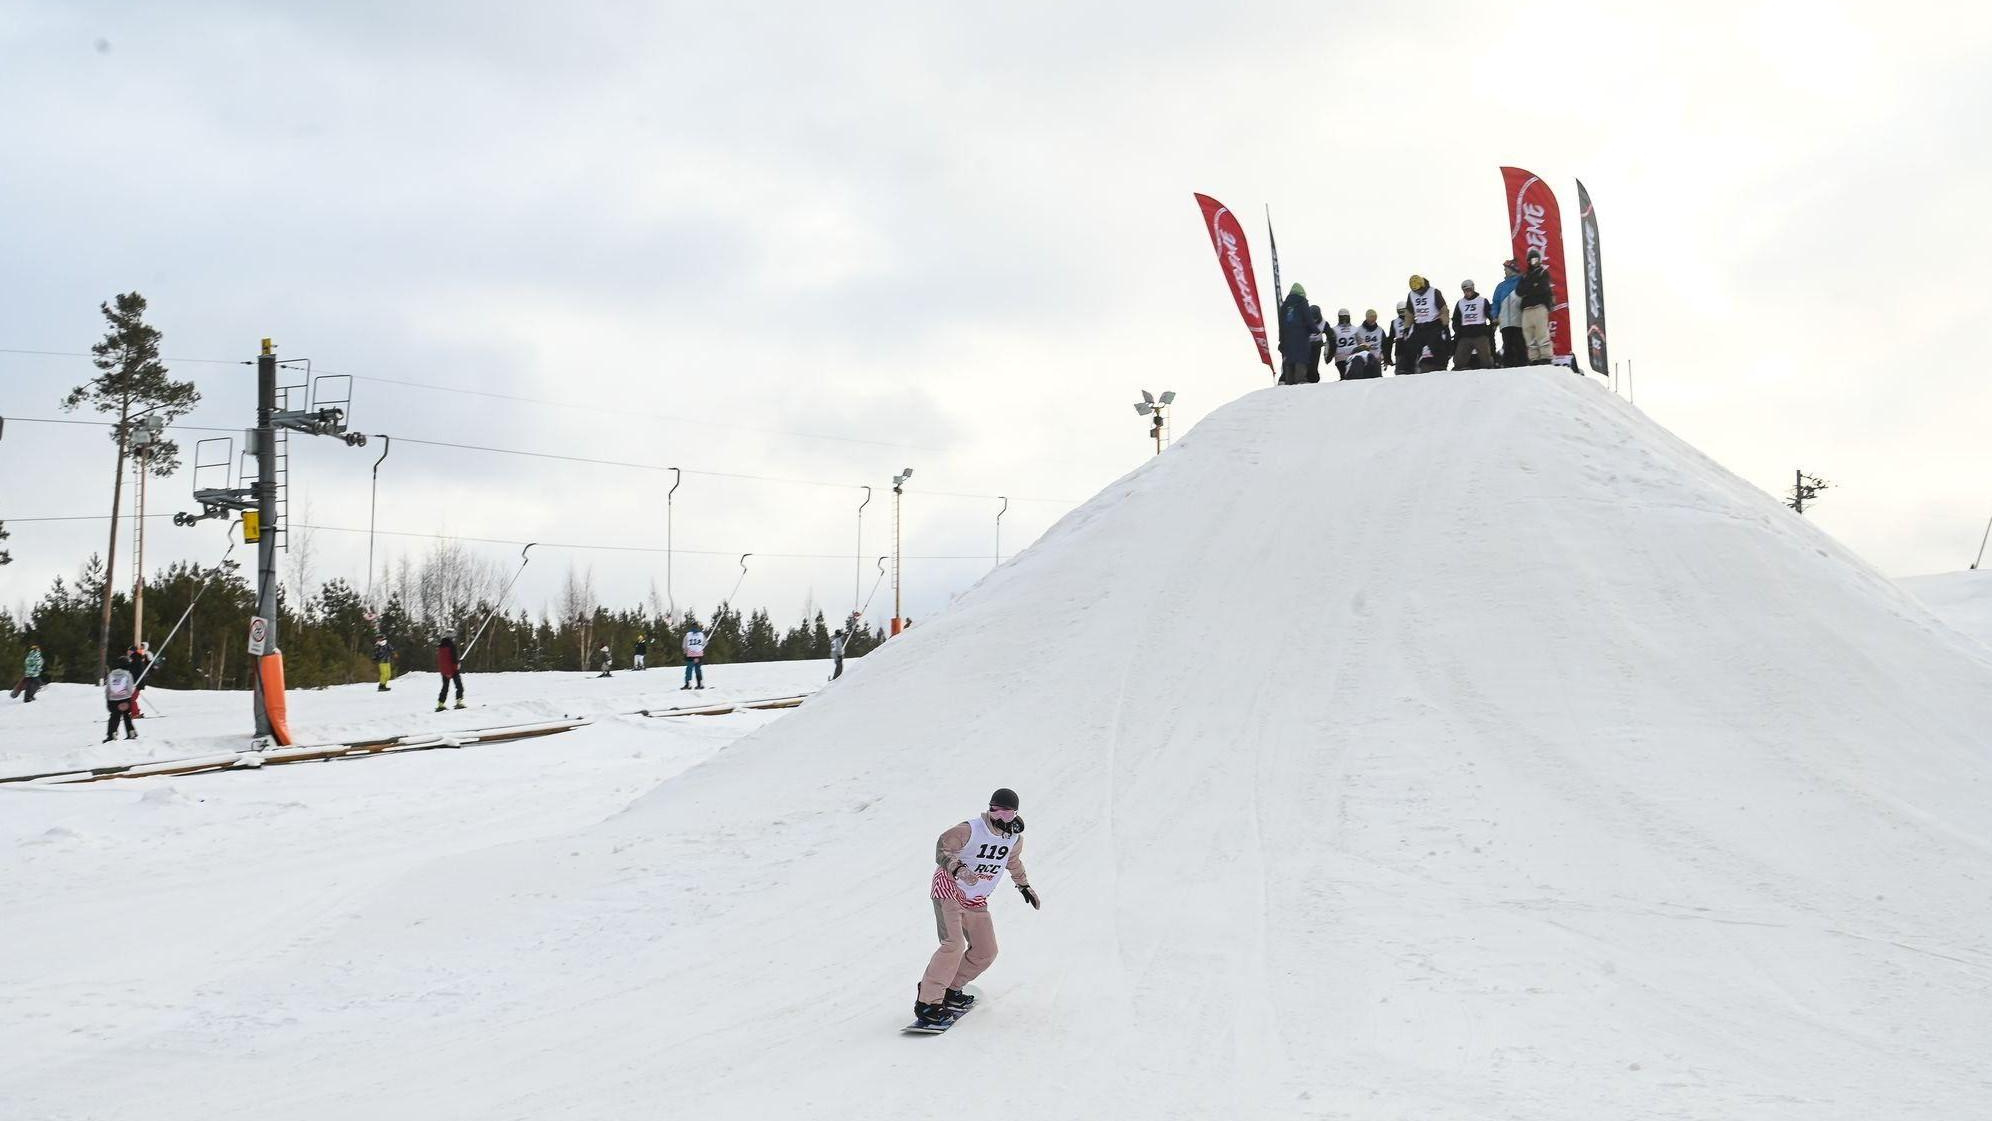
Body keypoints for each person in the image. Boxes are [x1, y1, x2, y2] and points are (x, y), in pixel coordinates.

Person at [911, 787, 1040, 1030]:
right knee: (953, 945)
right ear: (989, 809)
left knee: (986, 951)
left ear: (1015, 815)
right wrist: (959, 868)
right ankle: (928, 1003)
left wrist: (1023, 885)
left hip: (976, 898)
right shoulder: (970, 829)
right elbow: (942, 847)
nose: (1001, 818)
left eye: (1008, 814)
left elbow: (1012, 862)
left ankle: (951, 989)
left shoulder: (1014, 839)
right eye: (996, 811)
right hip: (949, 889)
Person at [1405, 275, 1450, 373]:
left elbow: (1444, 310)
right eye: (1415, 290)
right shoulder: (1411, 295)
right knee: (1410, 346)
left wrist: (1445, 325)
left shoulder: (1434, 292)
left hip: (1434, 325)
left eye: (1420, 290)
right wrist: (1407, 328)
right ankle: (1408, 370)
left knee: (1437, 347)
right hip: (1419, 326)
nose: (1418, 292)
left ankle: (1441, 368)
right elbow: (1409, 313)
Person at [1518, 248, 1555, 364]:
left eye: (1537, 259)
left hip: (1539, 306)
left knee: (1542, 333)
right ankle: (1534, 358)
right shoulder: (1525, 276)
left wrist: (1529, 289)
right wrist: (1532, 286)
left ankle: (1546, 357)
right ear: (1529, 261)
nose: (1535, 262)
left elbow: (1542, 288)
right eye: (1533, 260)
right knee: (1528, 333)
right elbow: (1518, 291)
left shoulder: (1542, 272)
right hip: (1526, 309)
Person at [1451, 279, 1497, 370]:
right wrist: (1458, 331)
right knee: (1459, 360)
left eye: (1469, 290)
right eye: (1465, 290)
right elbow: (1456, 319)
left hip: (1480, 334)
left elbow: (1490, 316)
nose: (1467, 292)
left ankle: (1490, 369)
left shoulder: (1482, 301)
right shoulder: (1460, 303)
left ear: (1473, 288)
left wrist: (1489, 329)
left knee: (1485, 360)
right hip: (1465, 335)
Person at [1491, 259, 1526, 367]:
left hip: (1519, 319)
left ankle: (1523, 365)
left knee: (1520, 343)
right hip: (1505, 321)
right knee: (1507, 344)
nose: (1505, 270)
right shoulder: (1501, 286)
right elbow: (1495, 302)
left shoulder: (1522, 282)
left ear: (1512, 269)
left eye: (1506, 268)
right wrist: (1494, 316)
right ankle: (1508, 367)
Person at [1276, 284, 1311, 386]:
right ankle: (1300, 379)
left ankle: (1289, 381)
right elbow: (1308, 318)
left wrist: (1281, 340)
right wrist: (1315, 330)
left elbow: (1281, 324)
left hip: (1287, 338)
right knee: (1300, 357)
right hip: (1301, 336)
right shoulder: (1302, 302)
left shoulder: (1285, 305)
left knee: (1289, 359)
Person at [104, 658, 138, 743]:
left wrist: (108, 699)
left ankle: (111, 734)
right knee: (127, 715)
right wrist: (128, 698)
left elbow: (108, 689)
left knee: (114, 717)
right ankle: (131, 732)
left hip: (112, 700)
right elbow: (130, 689)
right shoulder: (128, 674)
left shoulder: (111, 674)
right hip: (125, 699)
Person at [435, 634, 466, 712]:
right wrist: (457, 665)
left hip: (444, 671)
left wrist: (444, 671)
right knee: (459, 686)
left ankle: (440, 704)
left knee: (445, 688)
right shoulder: (452, 646)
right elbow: (454, 658)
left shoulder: (440, 647)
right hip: (453, 670)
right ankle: (459, 702)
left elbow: (442, 660)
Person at [1389, 301, 1418, 377]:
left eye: (1404, 311)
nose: (1402, 314)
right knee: (1400, 374)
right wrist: (1387, 357)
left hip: (1413, 350)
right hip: (1400, 352)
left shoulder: (1415, 320)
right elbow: (1390, 340)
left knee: (1415, 373)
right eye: (1400, 311)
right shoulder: (1394, 322)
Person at [1329, 309, 1361, 379]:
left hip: (1353, 356)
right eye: (1342, 317)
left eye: (1346, 317)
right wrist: (1329, 356)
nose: (1344, 319)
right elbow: (1330, 344)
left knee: (1353, 375)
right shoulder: (1334, 330)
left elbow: (1360, 342)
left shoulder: (1354, 329)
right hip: (1340, 357)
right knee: (1344, 375)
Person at [125, 641, 153, 717]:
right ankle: (133, 712)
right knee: (129, 698)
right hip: (136, 682)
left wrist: (133, 682)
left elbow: (135, 672)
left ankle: (135, 713)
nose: (128, 652)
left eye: (129, 651)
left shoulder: (136, 659)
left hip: (137, 682)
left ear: (133, 652)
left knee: (131, 698)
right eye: (128, 651)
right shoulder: (134, 658)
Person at [682, 622, 707, 690]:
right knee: (698, 669)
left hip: (690, 655)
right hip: (699, 655)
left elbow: (684, 645)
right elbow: (705, 643)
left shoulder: (688, 635)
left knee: (689, 670)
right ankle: (700, 684)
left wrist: (685, 653)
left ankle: (688, 684)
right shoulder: (701, 635)